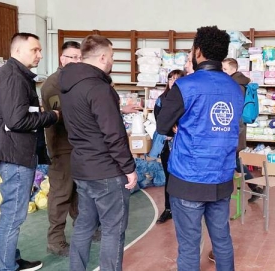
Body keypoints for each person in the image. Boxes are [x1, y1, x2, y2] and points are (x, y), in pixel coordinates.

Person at [157, 26, 243, 271]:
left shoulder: (185, 86)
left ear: (198, 51)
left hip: (189, 179)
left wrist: (178, 124)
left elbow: (162, 125)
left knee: (189, 246)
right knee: (222, 240)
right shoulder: (234, 88)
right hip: (222, 176)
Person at [59, 34, 138, 271]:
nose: (112, 61)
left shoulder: (68, 84)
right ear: (103, 57)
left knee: (84, 225)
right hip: (106, 170)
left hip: (82, 167)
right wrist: (129, 168)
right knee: (113, 229)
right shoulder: (99, 88)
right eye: (112, 57)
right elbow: (113, 134)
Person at [0, 32, 59, 271]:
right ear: (17, 51)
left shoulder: (18, 75)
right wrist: (52, 116)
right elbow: (17, 121)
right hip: (14, 155)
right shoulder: (13, 78)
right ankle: (7, 267)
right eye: (35, 50)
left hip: (16, 153)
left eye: (39, 50)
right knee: (13, 215)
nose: (39, 54)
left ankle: (12, 260)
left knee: (13, 213)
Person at [40, 41, 94, 257]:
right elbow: (60, 116)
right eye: (71, 57)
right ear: (62, 59)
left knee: (78, 194)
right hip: (62, 148)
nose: (76, 61)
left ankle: (84, 231)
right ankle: (56, 241)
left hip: (78, 146)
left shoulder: (76, 81)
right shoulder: (54, 84)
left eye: (79, 58)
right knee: (61, 194)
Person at [222, 58, 263, 202]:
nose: (223, 72)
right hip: (238, 127)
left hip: (234, 128)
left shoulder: (235, 85)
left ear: (233, 69)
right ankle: (255, 188)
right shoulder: (241, 82)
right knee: (234, 161)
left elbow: (232, 107)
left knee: (232, 161)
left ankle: (254, 187)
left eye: (225, 69)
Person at [151, 69, 185, 224]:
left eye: (177, 79)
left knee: (183, 178)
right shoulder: (161, 99)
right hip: (167, 144)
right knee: (169, 177)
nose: (173, 81)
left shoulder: (187, 97)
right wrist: (170, 129)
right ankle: (168, 208)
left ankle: (184, 209)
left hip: (184, 144)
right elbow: (160, 120)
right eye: (171, 79)